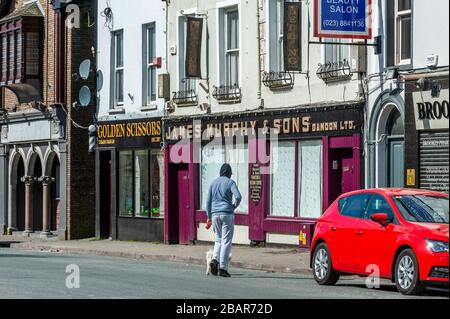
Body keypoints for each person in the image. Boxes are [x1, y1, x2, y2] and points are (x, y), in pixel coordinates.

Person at [206, 163, 242, 278]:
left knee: (218, 240)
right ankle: (223, 268)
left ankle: (214, 260)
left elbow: (208, 201)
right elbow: (238, 196)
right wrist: (233, 206)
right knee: (226, 241)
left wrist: (209, 216)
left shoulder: (213, 183)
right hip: (227, 213)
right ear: (229, 173)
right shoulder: (230, 182)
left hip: (215, 214)